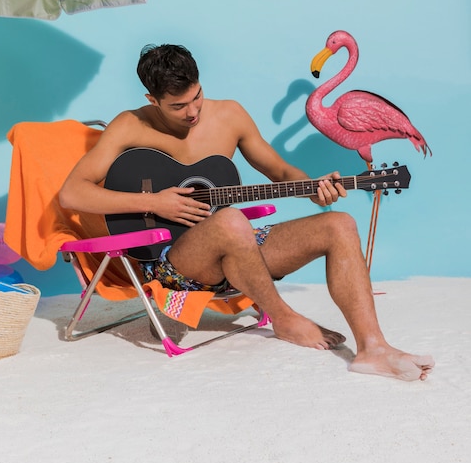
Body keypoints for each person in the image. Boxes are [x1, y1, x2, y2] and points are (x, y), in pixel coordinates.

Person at [60, 44, 434, 381]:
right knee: (230, 220)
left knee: (340, 223)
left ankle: (372, 348)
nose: (192, 112)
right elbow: (72, 193)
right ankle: (284, 319)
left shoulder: (230, 116)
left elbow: (282, 173)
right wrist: (154, 202)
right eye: (178, 106)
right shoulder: (130, 125)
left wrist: (314, 190)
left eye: (197, 98)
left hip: (239, 251)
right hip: (173, 264)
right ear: (152, 99)